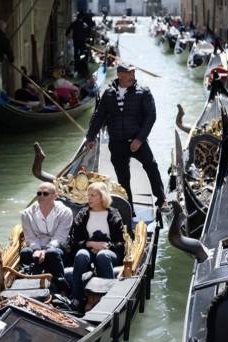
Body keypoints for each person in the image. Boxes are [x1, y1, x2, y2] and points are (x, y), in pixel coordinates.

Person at [85, 64, 166, 209]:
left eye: (133, 72)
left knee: (151, 165)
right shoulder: (108, 94)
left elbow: (151, 116)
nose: (132, 76)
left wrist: (140, 139)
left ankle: (161, 199)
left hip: (137, 141)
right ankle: (129, 208)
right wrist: (90, 137)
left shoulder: (143, 91)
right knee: (123, 178)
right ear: (119, 75)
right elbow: (99, 117)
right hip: (117, 143)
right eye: (129, 73)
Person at [67, 182, 125, 311]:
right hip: (88, 250)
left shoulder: (114, 214)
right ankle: (76, 297)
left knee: (103, 255)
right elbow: (74, 240)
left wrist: (106, 246)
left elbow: (121, 242)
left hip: (109, 252)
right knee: (81, 255)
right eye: (88, 195)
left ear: (102, 197)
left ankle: (109, 297)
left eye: (93, 195)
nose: (89, 198)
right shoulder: (83, 214)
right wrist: (90, 244)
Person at [20, 182, 73, 287]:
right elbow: (30, 237)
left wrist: (46, 250)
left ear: (55, 196)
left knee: (52, 253)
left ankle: (61, 286)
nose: (41, 196)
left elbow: (60, 237)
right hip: (36, 247)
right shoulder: (26, 214)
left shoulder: (65, 212)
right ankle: (30, 284)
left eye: (45, 193)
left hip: (58, 247)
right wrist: (37, 249)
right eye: (39, 193)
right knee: (25, 252)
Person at [66, 12, 90, 77]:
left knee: (76, 56)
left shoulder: (74, 23)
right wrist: (87, 37)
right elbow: (88, 32)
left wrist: (67, 35)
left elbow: (68, 30)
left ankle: (76, 69)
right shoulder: (84, 24)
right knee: (83, 55)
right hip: (82, 42)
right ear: (82, 18)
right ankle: (83, 69)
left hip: (76, 42)